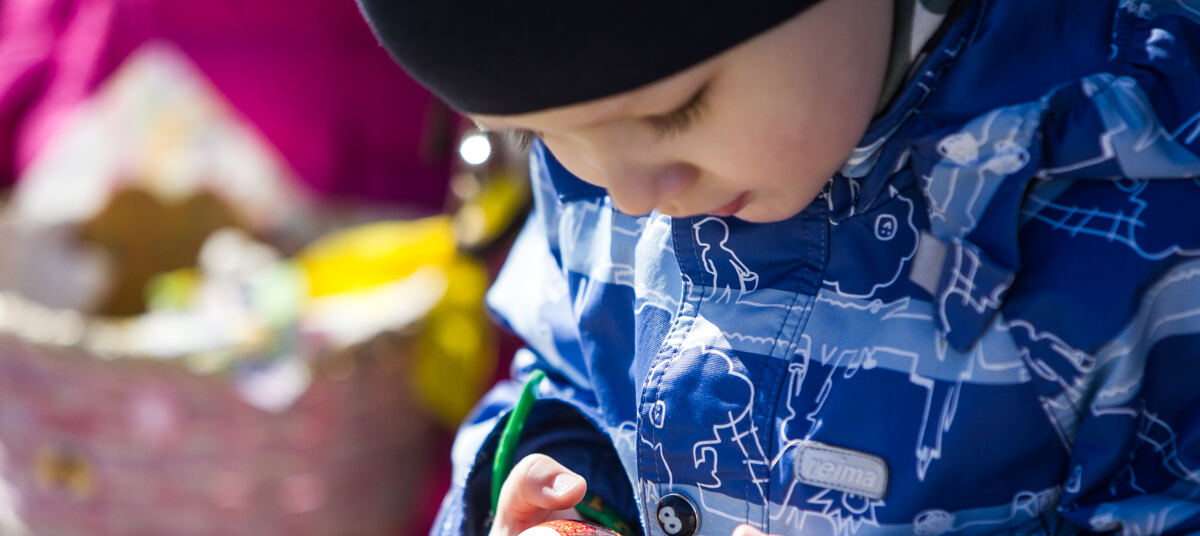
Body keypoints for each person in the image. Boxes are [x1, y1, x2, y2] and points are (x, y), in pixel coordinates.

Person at [357, 0, 1200, 534]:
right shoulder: (595, 178)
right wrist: (566, 501)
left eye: (676, 110)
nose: (630, 192)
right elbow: (570, 379)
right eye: (537, 134)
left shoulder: (1126, 188)